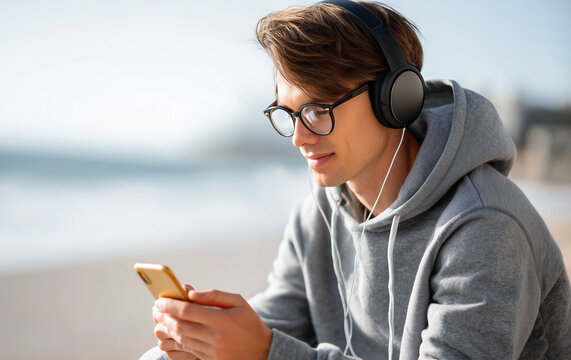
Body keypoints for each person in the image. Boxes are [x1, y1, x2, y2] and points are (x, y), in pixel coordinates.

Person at [142, 1, 571, 359]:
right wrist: (205, 342)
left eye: (318, 110)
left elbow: (270, 346)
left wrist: (264, 352)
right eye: (289, 114)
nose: (299, 137)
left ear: (395, 100)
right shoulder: (320, 210)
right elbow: (281, 317)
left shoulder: (485, 227)